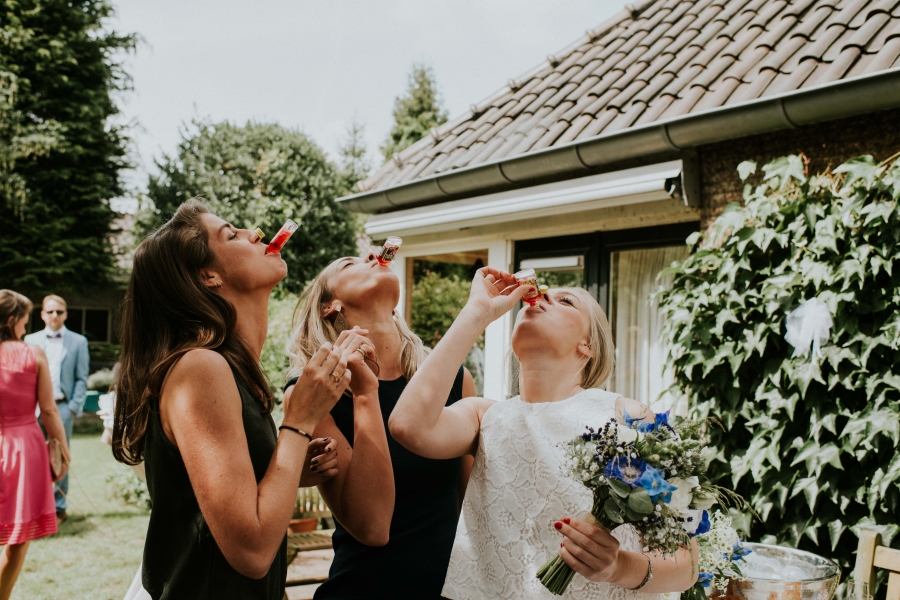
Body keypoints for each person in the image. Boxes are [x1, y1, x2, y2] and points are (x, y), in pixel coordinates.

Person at [390, 269, 699, 599]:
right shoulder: (484, 416)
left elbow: (687, 565)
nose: (543, 296)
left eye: (566, 301)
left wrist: (618, 567)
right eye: (542, 295)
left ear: (588, 345)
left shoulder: (629, 417)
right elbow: (407, 425)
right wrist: (476, 313)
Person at [111, 200, 357, 600]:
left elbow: (225, 505)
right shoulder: (200, 369)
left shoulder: (232, 370)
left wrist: (286, 466)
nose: (254, 233)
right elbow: (252, 552)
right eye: (232, 233)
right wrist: (299, 421)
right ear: (208, 276)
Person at [285, 253, 476, 599]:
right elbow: (372, 528)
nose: (375, 256)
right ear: (331, 306)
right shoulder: (314, 393)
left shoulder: (455, 381)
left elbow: (472, 509)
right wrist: (364, 393)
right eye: (350, 263)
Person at [0, 290, 71, 600]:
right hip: (23, 450)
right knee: (17, 540)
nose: (26, 329)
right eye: (25, 323)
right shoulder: (34, 354)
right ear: (12, 321)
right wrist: (63, 450)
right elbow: (50, 410)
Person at [24, 294, 89, 523]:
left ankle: (59, 507)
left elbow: (82, 378)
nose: (54, 315)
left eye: (59, 311)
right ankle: (34, 506)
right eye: (50, 311)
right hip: (32, 410)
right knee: (33, 458)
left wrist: (72, 407)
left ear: (65, 314)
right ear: (42, 314)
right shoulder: (29, 340)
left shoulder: (78, 342)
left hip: (62, 408)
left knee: (60, 457)